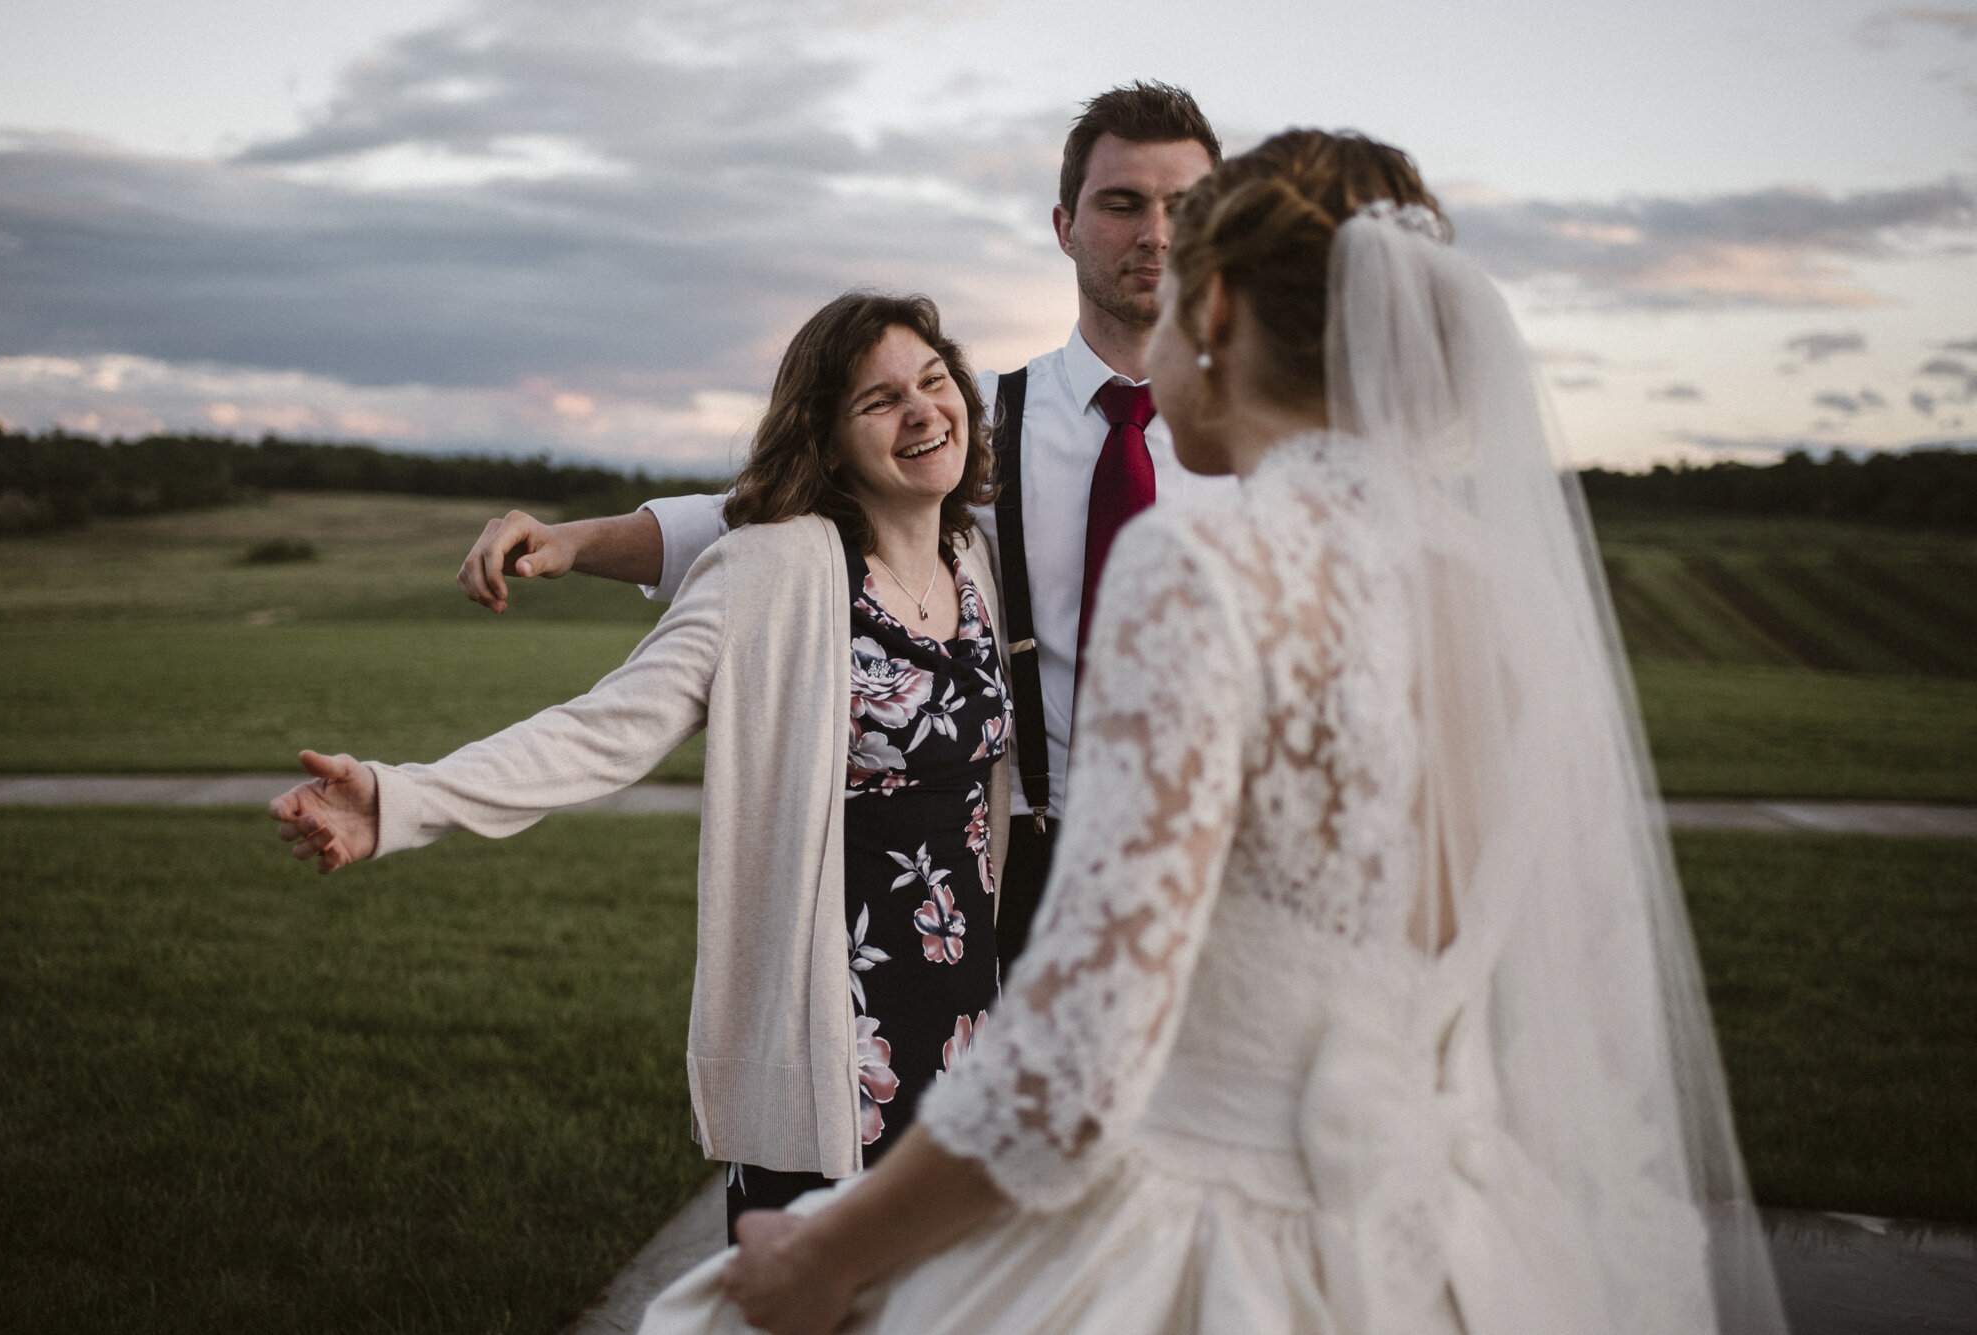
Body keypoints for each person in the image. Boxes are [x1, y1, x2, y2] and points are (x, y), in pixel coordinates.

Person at [640, 131, 1791, 1335]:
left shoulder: (1200, 564)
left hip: (1215, 1242)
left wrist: (826, 1255)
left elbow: (1078, 1064)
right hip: (1444, 1240)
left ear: (1219, 308)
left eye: (1178, 275)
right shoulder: (1503, 593)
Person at [269, 292, 1018, 1240]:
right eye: (878, 401)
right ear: (828, 443)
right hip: (833, 1028)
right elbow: (602, 730)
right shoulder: (775, 572)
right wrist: (403, 799)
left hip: (966, 1016)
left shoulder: (974, 561)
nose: (921, 411)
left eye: (934, 382)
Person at [453, 81, 1236, 978]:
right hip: (1035, 870)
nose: (1157, 234)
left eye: (1186, 207)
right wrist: (575, 540)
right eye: (1122, 203)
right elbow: (763, 516)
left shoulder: (1273, 443)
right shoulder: (980, 426)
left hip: (1225, 865)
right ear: (1064, 227)